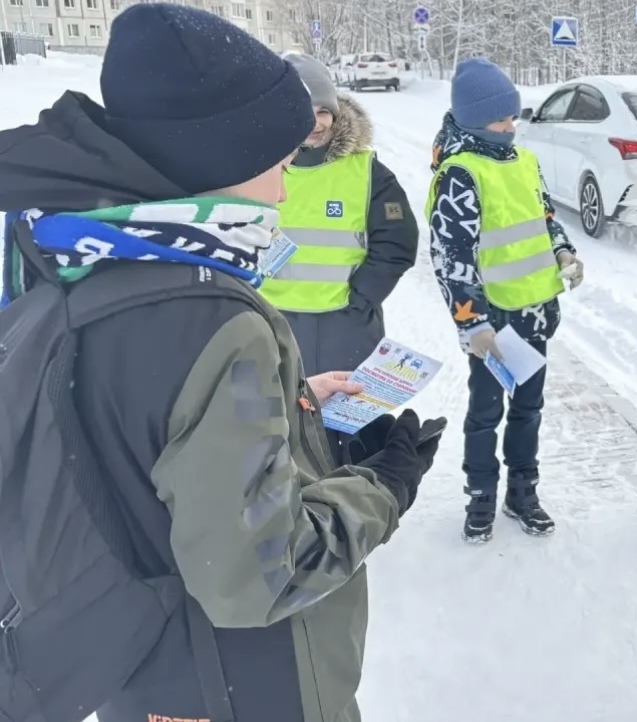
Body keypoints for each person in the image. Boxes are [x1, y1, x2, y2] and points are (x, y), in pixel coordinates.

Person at [0, 5, 441, 722]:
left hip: (145, 670)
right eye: (273, 162)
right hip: (245, 681)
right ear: (216, 161)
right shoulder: (215, 319)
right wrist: (382, 486)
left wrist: (293, 411)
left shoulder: (84, 261)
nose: (282, 186)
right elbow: (257, 577)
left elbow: (142, 438)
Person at [426, 57, 586, 544]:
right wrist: (472, 322)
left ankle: (523, 492)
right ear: (473, 119)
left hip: (536, 315)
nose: (509, 127)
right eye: (500, 119)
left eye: (513, 117)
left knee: (528, 410)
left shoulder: (526, 162)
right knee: (485, 412)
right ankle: (480, 498)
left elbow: (544, 217)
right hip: (493, 325)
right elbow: (451, 257)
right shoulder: (460, 173)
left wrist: (563, 252)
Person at [260, 52, 419, 463]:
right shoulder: (253, 167)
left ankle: (359, 514)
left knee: (353, 432)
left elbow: (398, 241)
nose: (316, 122)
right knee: (277, 426)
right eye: (303, 111)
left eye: (323, 111)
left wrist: (361, 298)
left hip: (345, 328)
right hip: (274, 325)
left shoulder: (366, 171)